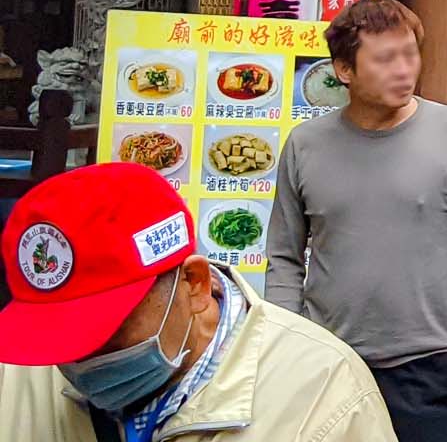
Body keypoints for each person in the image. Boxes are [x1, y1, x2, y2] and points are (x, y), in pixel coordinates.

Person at [0, 162, 395, 440]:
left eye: (105, 332)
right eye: (52, 340)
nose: (80, 363)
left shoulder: (323, 391)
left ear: (195, 284)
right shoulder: (16, 372)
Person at [267, 0, 447, 442]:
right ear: (344, 70)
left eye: (410, 53)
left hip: (425, 362)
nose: (404, 69)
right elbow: (283, 254)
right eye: (385, 58)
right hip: (327, 359)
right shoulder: (305, 144)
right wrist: (291, 339)